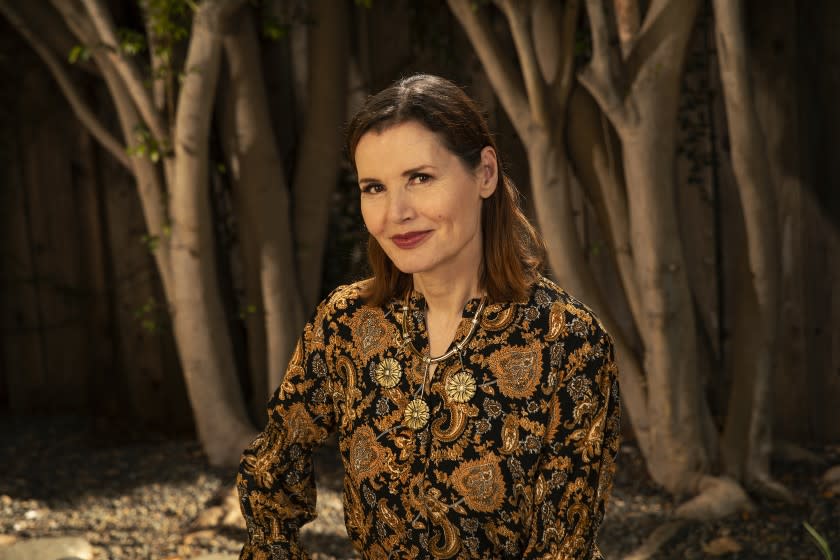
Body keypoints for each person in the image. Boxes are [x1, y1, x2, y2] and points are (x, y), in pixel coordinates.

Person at [236, 74, 620, 560]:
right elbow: (270, 468)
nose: (395, 212)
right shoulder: (347, 324)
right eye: (374, 187)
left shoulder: (569, 342)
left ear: (485, 173)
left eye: (420, 178)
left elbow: (562, 547)